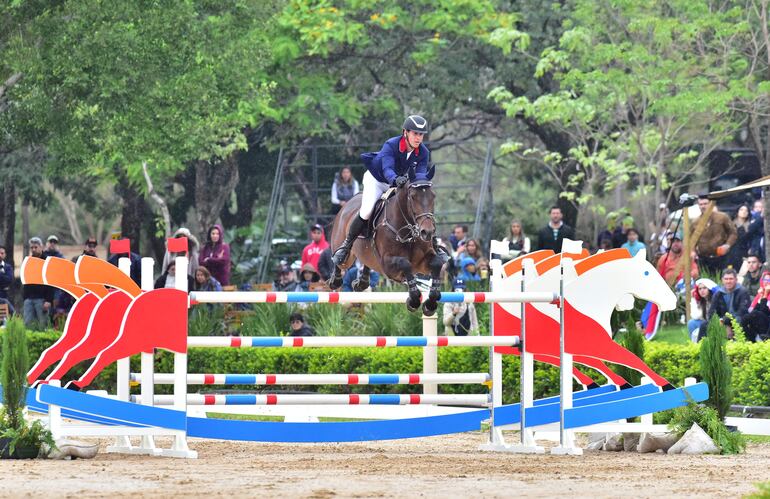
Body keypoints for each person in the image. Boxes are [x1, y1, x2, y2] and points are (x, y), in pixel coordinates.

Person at [331, 115, 449, 266]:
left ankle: (435, 246)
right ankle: (346, 245)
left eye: (421, 134)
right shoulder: (391, 145)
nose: (418, 138)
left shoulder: (423, 152)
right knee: (367, 210)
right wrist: (395, 180)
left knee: (420, 208)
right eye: (415, 133)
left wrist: (422, 182)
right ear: (405, 132)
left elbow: (419, 175)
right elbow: (387, 169)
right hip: (377, 180)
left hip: (400, 183)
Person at [699, 268, 750, 341]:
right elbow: (711, 313)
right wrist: (723, 323)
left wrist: (727, 322)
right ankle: (700, 347)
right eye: (726, 279)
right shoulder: (718, 294)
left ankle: (737, 346)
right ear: (722, 280)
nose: (728, 281)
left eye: (731, 279)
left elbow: (742, 311)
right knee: (704, 324)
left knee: (739, 320)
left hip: (738, 320)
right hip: (722, 321)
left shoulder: (743, 292)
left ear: (736, 280)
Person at [692, 195, 737, 274]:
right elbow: (690, 240)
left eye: (705, 204)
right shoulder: (695, 222)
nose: (703, 206)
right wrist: (692, 251)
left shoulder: (722, 217)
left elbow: (733, 233)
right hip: (703, 258)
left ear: (711, 204)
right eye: (701, 204)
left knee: (722, 280)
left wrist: (727, 245)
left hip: (721, 257)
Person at [22, 237, 54, 329]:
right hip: (29, 299)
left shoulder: (47, 261)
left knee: (43, 325)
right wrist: (25, 297)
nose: (33, 249)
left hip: (42, 299)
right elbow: (25, 279)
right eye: (31, 248)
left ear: (41, 247)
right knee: (27, 325)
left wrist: (48, 300)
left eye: (36, 247)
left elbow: (51, 281)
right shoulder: (28, 261)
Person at [741, 272, 770, 342]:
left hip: (767, 325)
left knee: (755, 314)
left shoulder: (765, 294)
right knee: (744, 316)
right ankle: (752, 338)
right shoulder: (759, 294)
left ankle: (765, 337)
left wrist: (765, 295)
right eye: (765, 280)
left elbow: (764, 311)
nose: (766, 282)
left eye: (769, 280)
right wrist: (761, 296)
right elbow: (753, 310)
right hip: (759, 323)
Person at [687, 278, 717, 343]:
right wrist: (693, 298)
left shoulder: (715, 299)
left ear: (709, 288)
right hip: (703, 323)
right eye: (700, 289)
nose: (702, 291)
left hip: (714, 323)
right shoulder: (700, 300)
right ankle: (694, 344)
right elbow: (695, 316)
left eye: (704, 288)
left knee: (704, 324)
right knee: (691, 323)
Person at [727, 205, 752, 270]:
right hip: (731, 253)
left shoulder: (751, 226)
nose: (744, 212)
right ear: (737, 211)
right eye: (741, 210)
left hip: (745, 252)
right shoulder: (731, 224)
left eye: (746, 210)